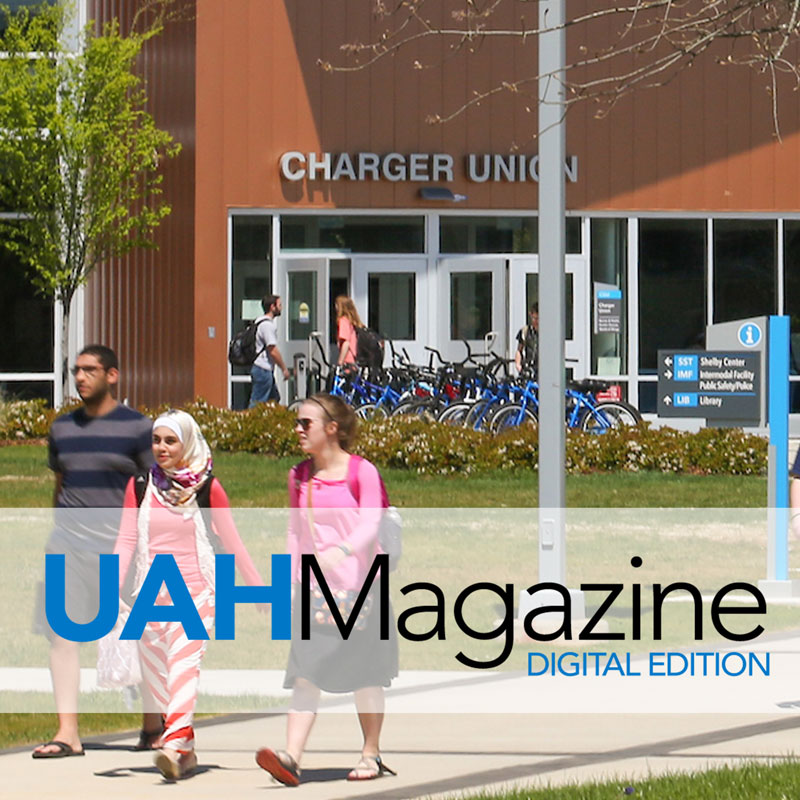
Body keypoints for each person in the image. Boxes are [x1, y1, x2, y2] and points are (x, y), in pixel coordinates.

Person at [114, 409, 265, 780]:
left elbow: (231, 541)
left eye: (170, 440)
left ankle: (171, 744)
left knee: (183, 670)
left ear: (188, 443)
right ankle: (187, 751)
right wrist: (108, 588)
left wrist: (256, 585)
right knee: (160, 679)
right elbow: (126, 540)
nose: (161, 448)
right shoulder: (140, 485)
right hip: (148, 595)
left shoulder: (207, 487)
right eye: (156, 440)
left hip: (196, 593)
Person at [255, 393, 397, 786]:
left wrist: (343, 550)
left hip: (362, 590)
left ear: (332, 429)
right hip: (314, 592)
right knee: (306, 673)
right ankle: (291, 757)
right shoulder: (298, 476)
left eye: (306, 424)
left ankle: (371, 753)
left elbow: (370, 524)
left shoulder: (361, 472)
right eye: (298, 423)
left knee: (365, 676)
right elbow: (294, 531)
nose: (299, 430)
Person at [32, 344, 159, 758]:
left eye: (90, 370)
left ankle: (153, 725)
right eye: (76, 370)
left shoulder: (139, 429)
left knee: (142, 636)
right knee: (61, 637)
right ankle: (67, 732)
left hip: (124, 552)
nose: (80, 377)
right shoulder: (62, 428)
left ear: (112, 375)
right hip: (67, 549)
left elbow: (153, 492)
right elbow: (62, 482)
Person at [249, 293, 290, 407]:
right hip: (263, 369)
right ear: (272, 307)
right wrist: (284, 369)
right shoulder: (267, 326)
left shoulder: (258, 322)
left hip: (262, 368)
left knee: (274, 398)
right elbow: (272, 350)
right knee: (257, 403)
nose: (281, 307)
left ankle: (272, 422)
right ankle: (248, 422)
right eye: (279, 305)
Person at [335, 295, 362, 366]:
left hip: (348, 360)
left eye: (337, 305)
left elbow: (346, 343)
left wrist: (340, 362)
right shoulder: (352, 322)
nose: (335, 307)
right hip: (355, 360)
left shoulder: (343, 321)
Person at [515, 303, 539, 376]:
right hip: (528, 370)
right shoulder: (525, 331)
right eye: (534, 318)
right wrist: (518, 364)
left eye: (538, 318)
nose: (536, 321)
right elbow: (519, 350)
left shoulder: (548, 333)